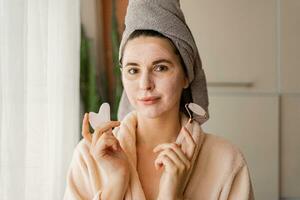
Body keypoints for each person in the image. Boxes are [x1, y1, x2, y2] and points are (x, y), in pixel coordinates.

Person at [63, 0, 254, 199]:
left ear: (186, 75)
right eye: (133, 70)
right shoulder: (89, 156)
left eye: (160, 67)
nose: (145, 84)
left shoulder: (227, 161)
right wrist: (116, 183)